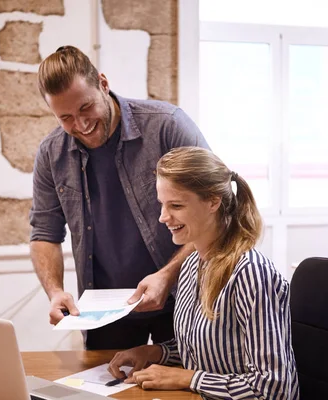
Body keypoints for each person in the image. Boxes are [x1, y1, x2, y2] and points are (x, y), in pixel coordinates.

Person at [30, 46, 210, 350]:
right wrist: (55, 291)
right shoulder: (51, 154)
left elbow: (216, 210)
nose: (81, 125)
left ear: (103, 83)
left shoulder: (167, 125)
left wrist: (167, 275)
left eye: (86, 108)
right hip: (105, 314)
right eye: (66, 118)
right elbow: (44, 233)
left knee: (183, 391)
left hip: (184, 299)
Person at [108, 147, 299, 399]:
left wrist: (188, 377)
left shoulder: (251, 273)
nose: (163, 217)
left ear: (212, 201)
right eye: (162, 205)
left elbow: (273, 388)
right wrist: (155, 353)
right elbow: (209, 349)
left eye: (176, 205)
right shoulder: (190, 265)